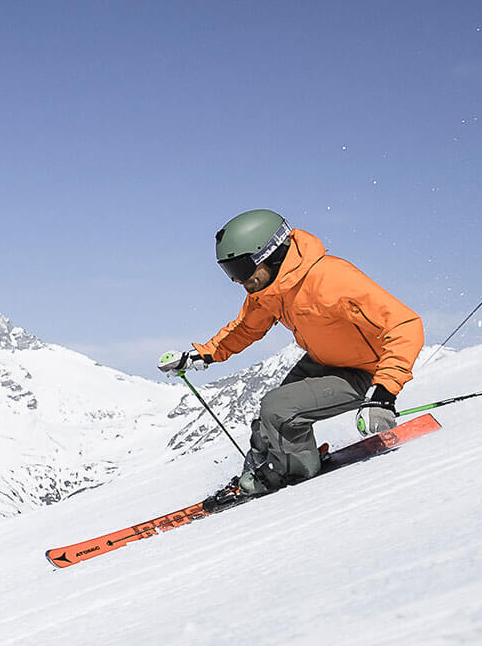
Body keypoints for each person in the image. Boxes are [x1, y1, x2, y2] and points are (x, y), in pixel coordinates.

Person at [158, 209, 423, 499]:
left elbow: (404, 325)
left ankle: (290, 475)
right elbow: (246, 328)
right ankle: (259, 470)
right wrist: (201, 356)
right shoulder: (269, 289)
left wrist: (384, 393)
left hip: (366, 371)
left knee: (279, 411)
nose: (237, 280)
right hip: (325, 361)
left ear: (270, 253)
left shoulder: (331, 278)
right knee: (266, 421)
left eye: (242, 269)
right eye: (229, 270)